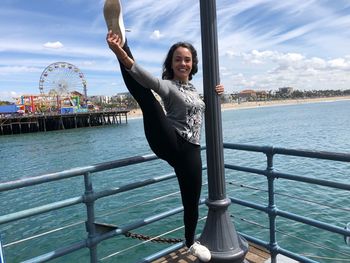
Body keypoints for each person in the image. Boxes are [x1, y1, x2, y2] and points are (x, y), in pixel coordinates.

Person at [104, 0, 224, 261]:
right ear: (171, 62)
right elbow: (144, 78)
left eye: (187, 60)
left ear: (193, 64)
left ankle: (191, 242)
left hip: (191, 151)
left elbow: (207, 110)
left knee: (191, 201)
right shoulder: (168, 85)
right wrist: (121, 53)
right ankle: (122, 39)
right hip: (168, 139)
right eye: (178, 59)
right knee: (147, 99)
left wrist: (217, 94)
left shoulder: (194, 90)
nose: (183, 63)